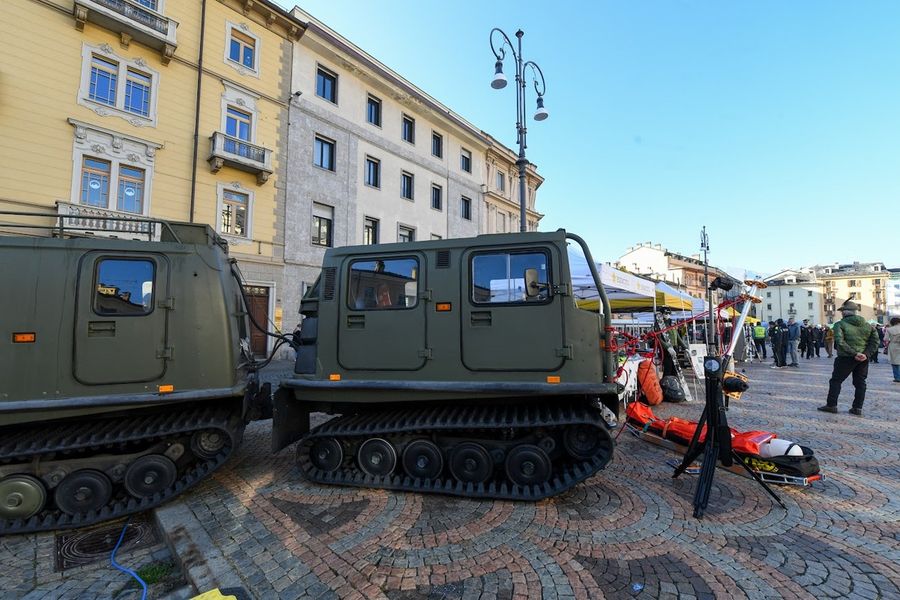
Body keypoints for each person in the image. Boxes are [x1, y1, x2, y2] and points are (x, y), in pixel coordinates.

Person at [818, 300, 879, 416]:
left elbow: (840, 342)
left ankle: (831, 405)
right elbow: (875, 342)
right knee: (860, 383)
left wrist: (854, 353)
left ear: (844, 313)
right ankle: (857, 408)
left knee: (836, 381)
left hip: (846, 358)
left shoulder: (839, 324)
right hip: (863, 359)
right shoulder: (868, 326)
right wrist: (865, 354)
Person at [886, 317, 900, 383]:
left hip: (893, 346)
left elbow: (885, 339)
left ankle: (897, 377)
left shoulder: (889, 329)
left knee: (894, 362)